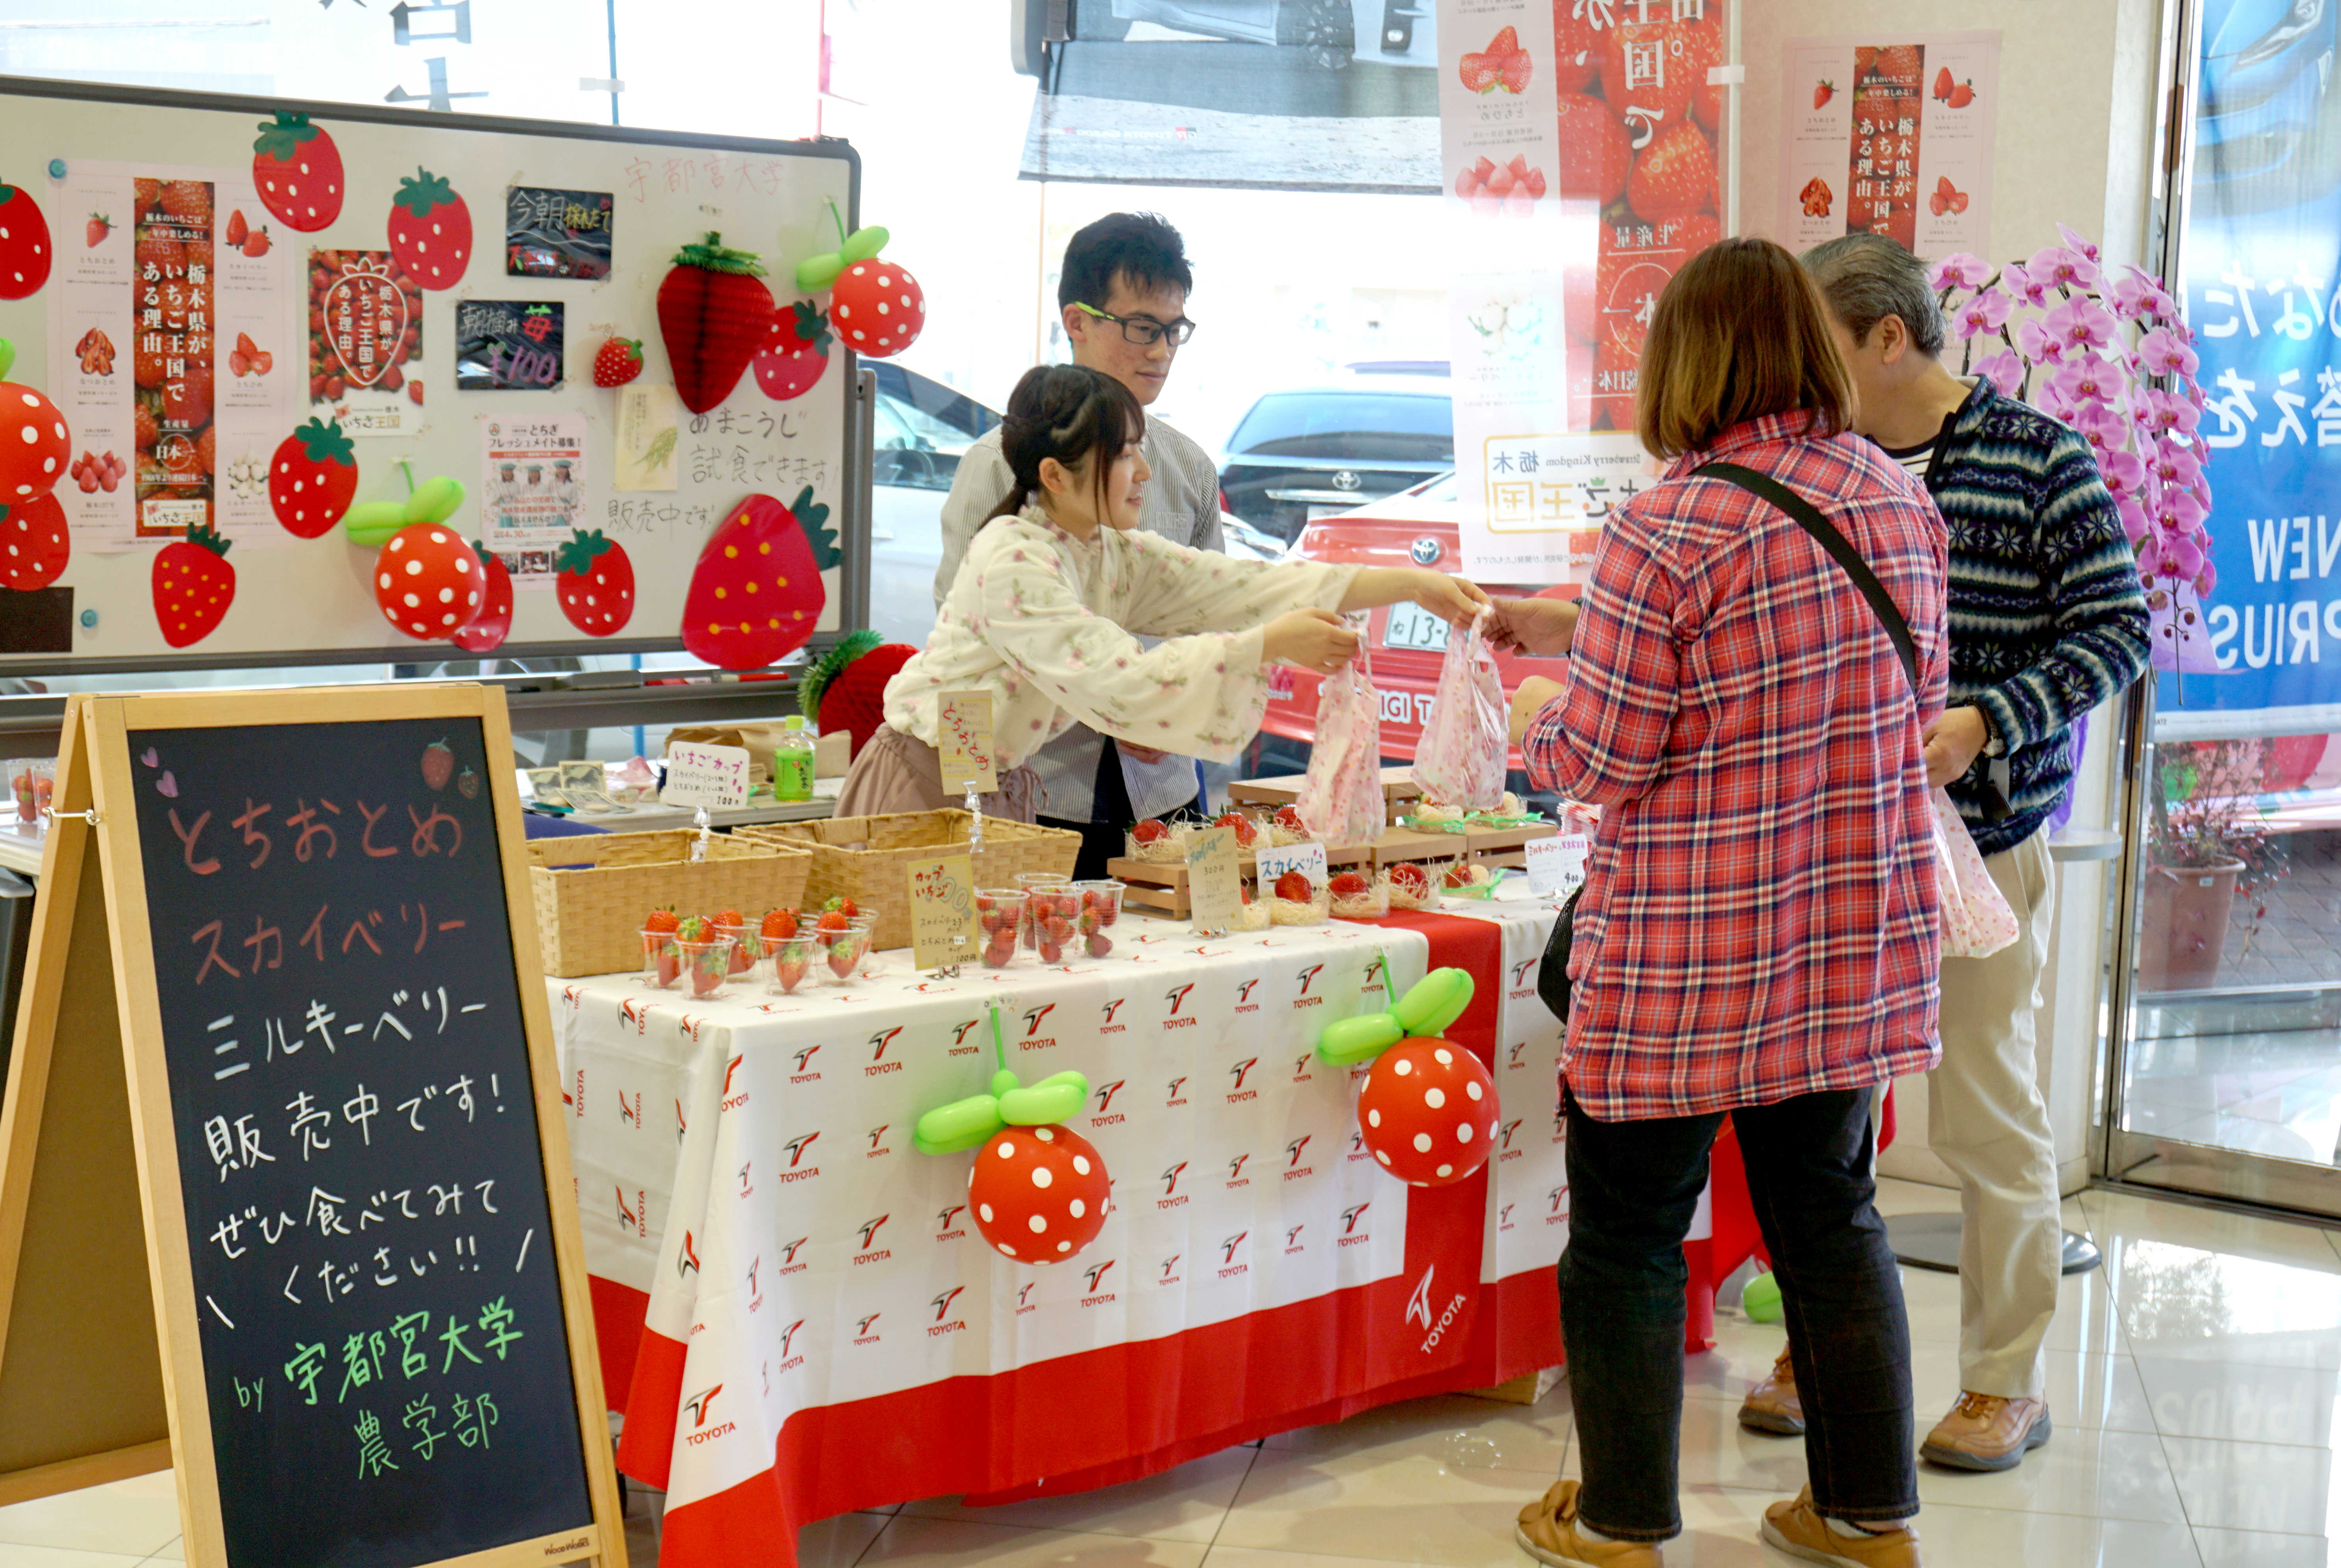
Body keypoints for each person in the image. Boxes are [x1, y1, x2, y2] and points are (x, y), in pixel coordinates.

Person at [1495, 238, 1948, 1568]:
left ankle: (1626, 1521)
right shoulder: (1895, 497)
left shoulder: (1669, 521)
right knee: (1832, 1218)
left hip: (1687, 954)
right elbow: (1916, 709)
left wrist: (1538, 722)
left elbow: (1607, 759)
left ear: (1682, 362)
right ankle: (1870, 1514)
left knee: (1630, 1229)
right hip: (1843, 937)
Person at [1726, 233, 2149, 1473]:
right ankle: (1828, 1344)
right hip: (1830, 842)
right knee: (1823, 1107)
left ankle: (2003, 1380)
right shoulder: (1814, 462)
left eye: (1820, 345)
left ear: (1887, 339)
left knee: (1985, 1106)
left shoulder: (2035, 458)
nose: (1796, 370)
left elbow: (2119, 628)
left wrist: (1986, 721)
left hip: (1984, 838)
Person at [840, 364, 1486, 820]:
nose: (1144, 472)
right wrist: (1266, 645)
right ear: (1055, 476)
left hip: (990, 784)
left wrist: (1412, 583)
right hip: (923, 785)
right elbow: (1119, 678)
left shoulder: (1106, 552)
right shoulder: (1013, 558)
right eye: (1124, 455)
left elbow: (1242, 584)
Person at [931, 212, 1222, 877]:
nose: (1161, 351)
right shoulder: (998, 466)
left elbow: (1210, 622)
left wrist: (1179, 707)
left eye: (1174, 330)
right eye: (1142, 328)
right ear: (1078, 321)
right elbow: (963, 645)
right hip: (1036, 794)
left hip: (1167, 794)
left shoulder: (1188, 468)